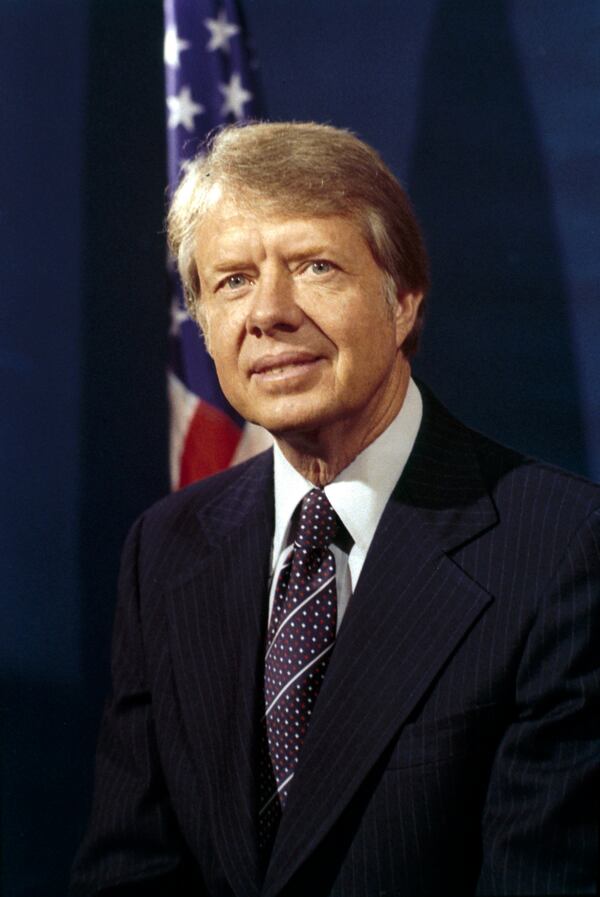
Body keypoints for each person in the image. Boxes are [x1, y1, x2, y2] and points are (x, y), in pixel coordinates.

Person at [70, 122, 599, 897]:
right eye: (232, 281)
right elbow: (128, 871)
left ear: (404, 301)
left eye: (315, 266)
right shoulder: (167, 547)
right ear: (207, 331)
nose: (269, 312)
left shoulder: (562, 548)